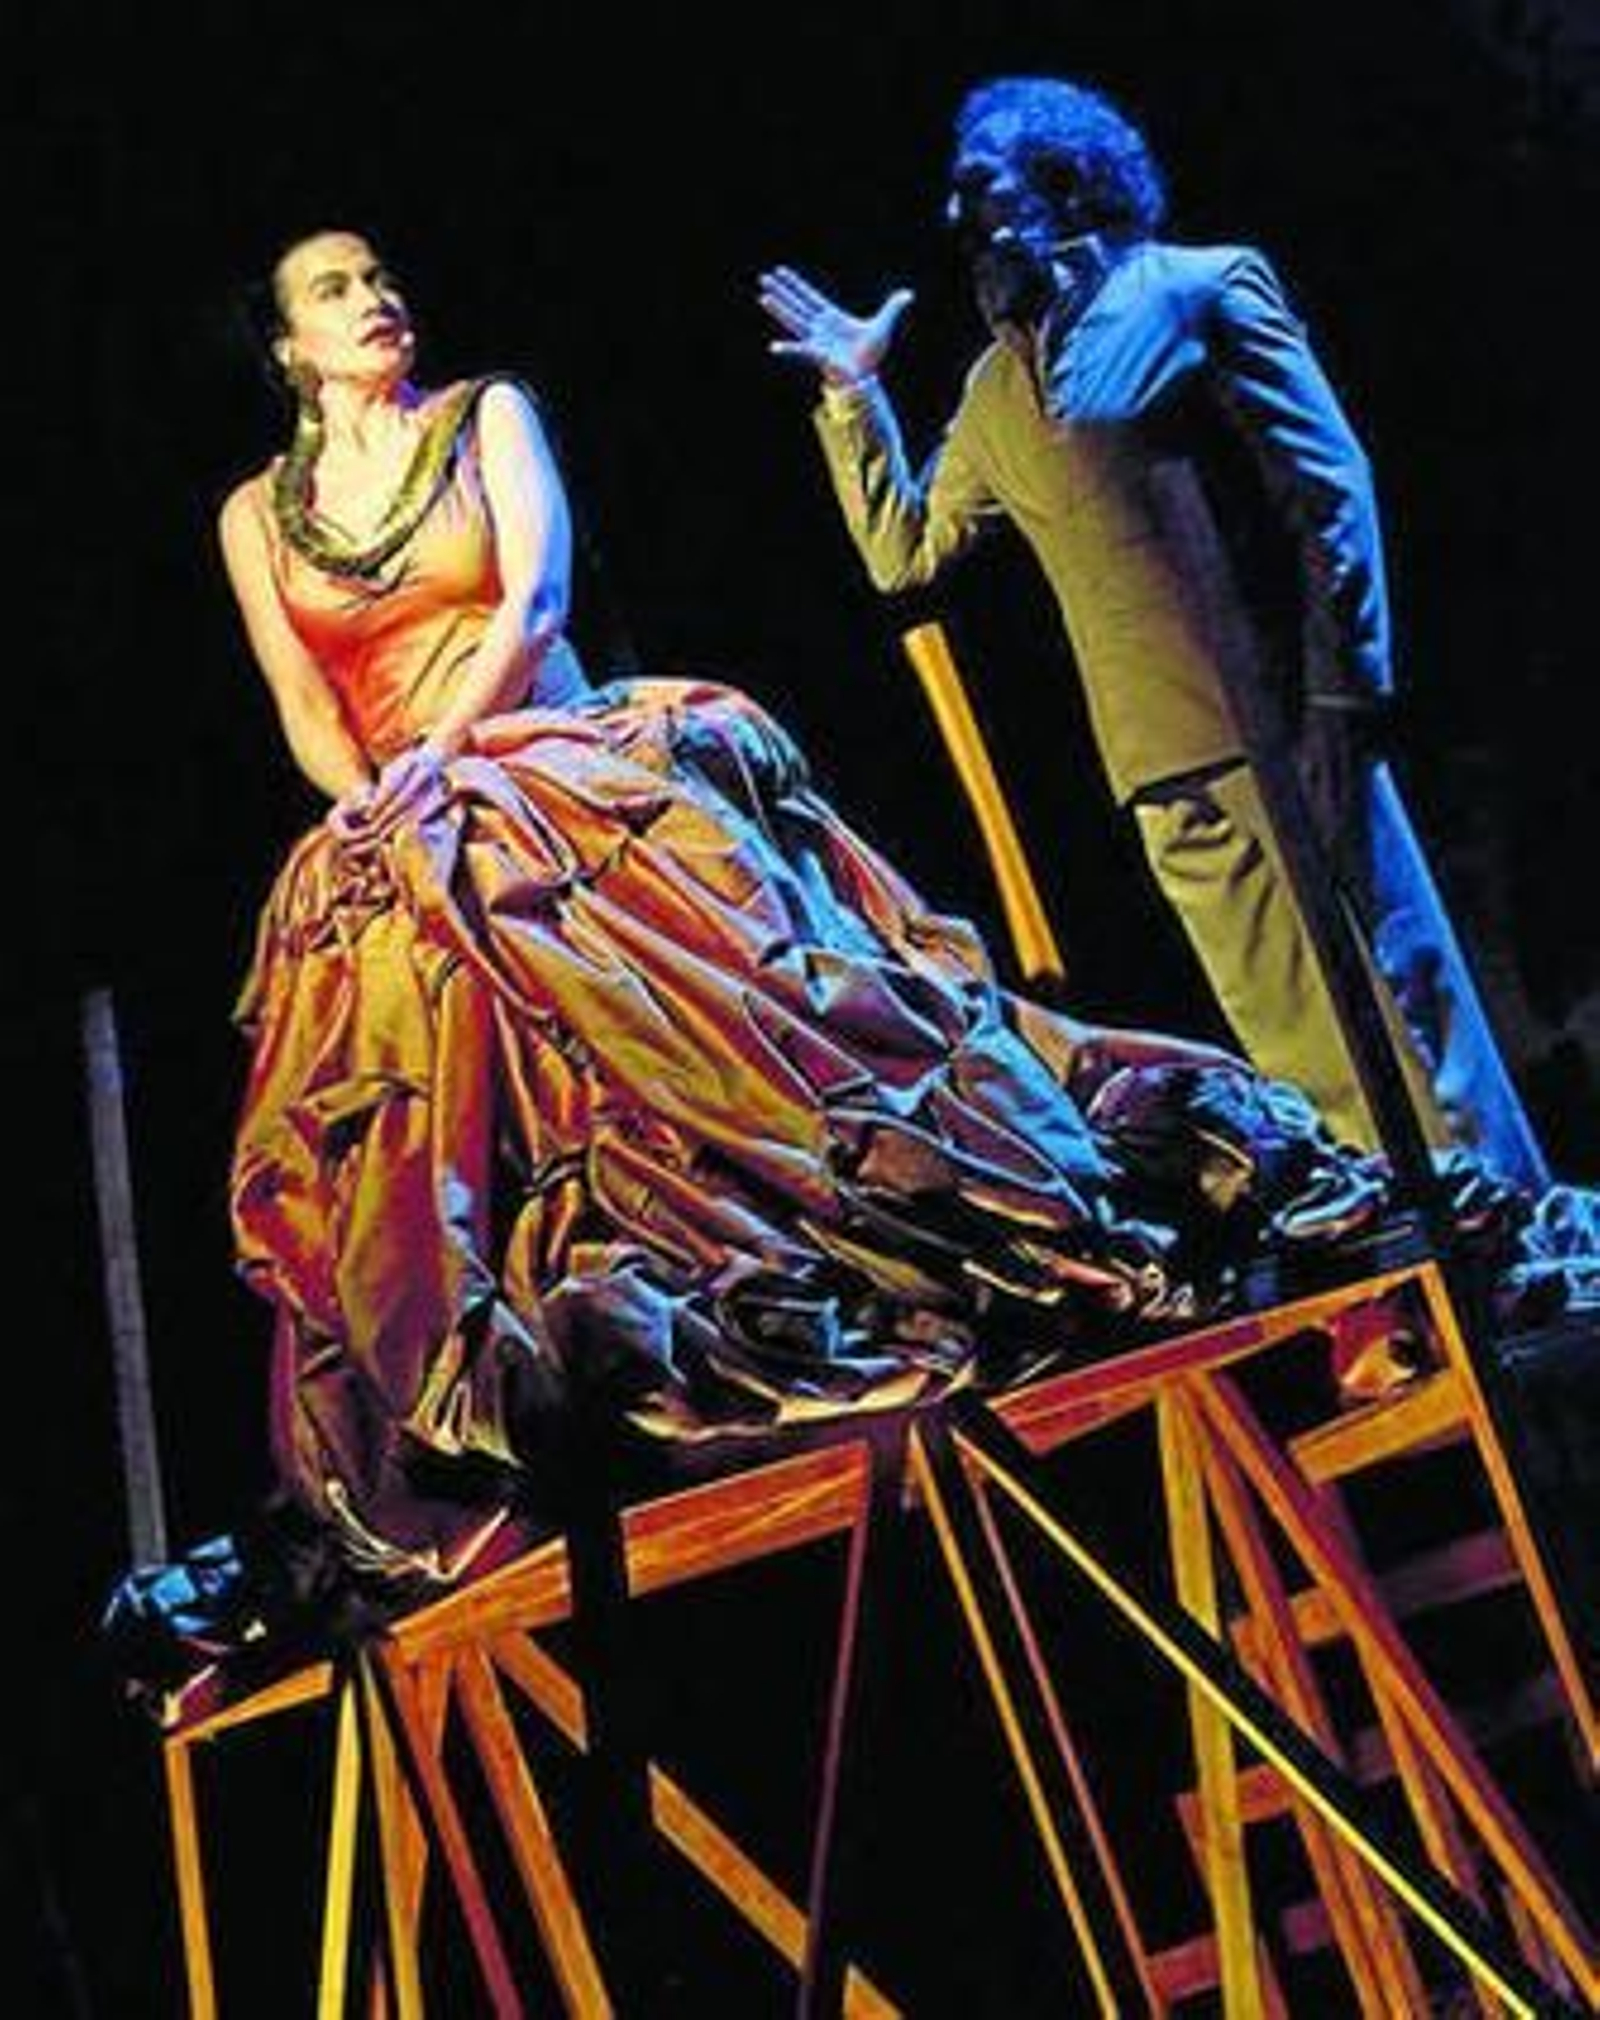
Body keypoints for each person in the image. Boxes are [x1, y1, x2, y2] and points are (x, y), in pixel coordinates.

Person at [100, 225, 1536, 1703]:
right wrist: (378, 807)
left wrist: (445, 764)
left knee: (682, 987)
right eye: (335, 289)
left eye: (378, 274)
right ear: (288, 350)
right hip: (403, 813)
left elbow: (534, 604)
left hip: (547, 751)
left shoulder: (487, 417)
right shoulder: (255, 516)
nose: (377, 297)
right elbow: (305, 702)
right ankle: (517, 1359)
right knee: (382, 1015)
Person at [757, 73, 1551, 1198]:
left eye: (981, 186)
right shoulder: (994, 390)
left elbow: (1330, 488)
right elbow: (905, 553)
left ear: (1065, 181)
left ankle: (1517, 1231)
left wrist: (1343, 692)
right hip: (1152, 756)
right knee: (1287, 1027)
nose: (957, 217)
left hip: (1282, 721)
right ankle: (1407, 1236)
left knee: (1402, 999)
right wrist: (853, 397)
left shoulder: (1193, 289)